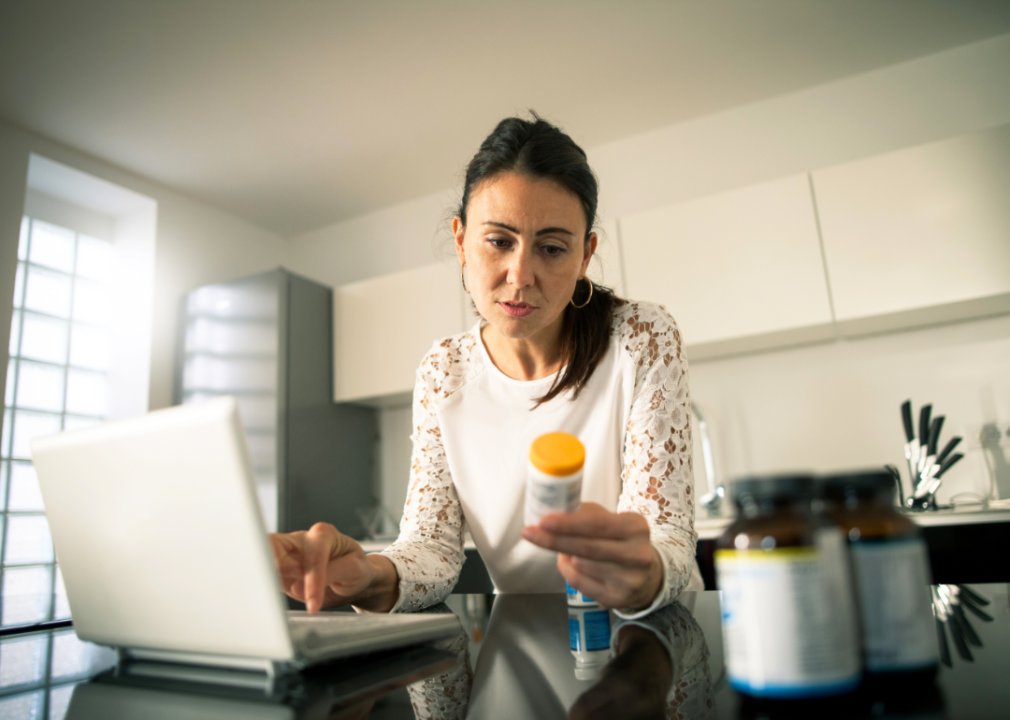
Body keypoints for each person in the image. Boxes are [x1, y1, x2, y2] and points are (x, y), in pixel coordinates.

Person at [270, 114, 701, 620]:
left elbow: (666, 531)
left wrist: (645, 571)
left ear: (585, 256)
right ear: (461, 242)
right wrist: (369, 574)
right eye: (499, 241)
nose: (520, 277)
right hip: (519, 648)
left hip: (654, 632)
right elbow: (430, 548)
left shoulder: (641, 338)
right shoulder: (443, 372)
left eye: (552, 248)